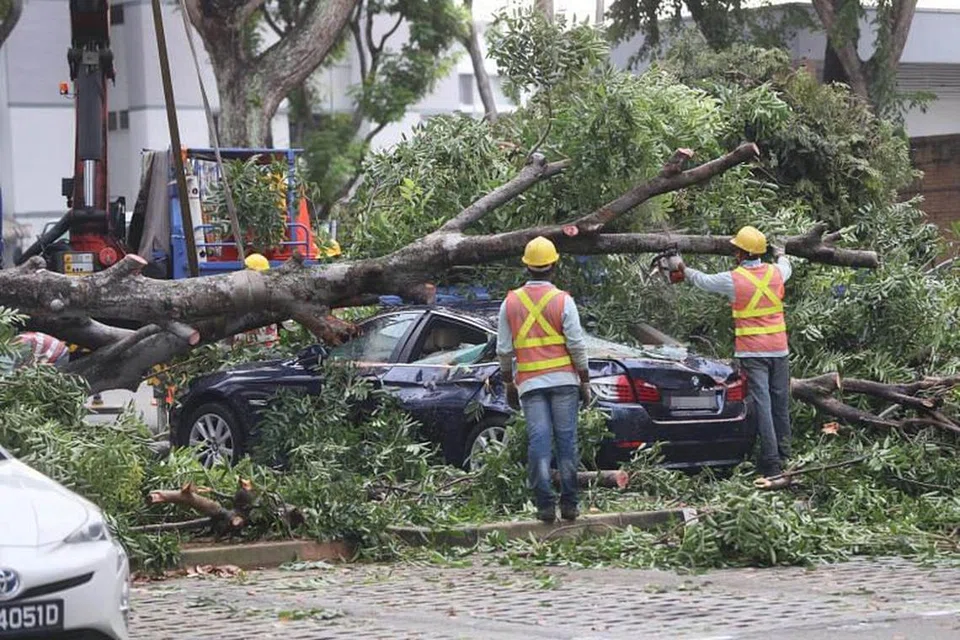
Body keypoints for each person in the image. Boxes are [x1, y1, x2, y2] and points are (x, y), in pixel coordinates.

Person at [678, 225, 793, 484]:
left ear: (741, 253)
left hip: (753, 352)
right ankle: (786, 457)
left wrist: (683, 269)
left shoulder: (733, 279)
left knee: (762, 405)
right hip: (779, 349)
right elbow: (787, 266)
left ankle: (772, 464)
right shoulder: (776, 272)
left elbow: (703, 281)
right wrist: (782, 252)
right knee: (780, 403)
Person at [496, 236, 591, 523]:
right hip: (564, 382)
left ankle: (545, 506)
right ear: (553, 266)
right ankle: (570, 505)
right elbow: (576, 344)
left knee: (539, 442)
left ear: (527, 266)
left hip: (531, 384)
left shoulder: (510, 302)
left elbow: (504, 350)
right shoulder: (563, 300)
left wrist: (509, 383)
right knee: (566, 441)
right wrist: (584, 379)